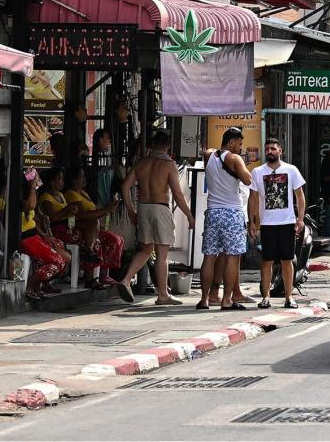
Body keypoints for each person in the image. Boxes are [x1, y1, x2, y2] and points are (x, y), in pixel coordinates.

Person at [116, 131, 195, 307]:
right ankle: (162, 295)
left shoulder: (141, 163)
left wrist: (131, 211)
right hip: (160, 208)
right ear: (167, 146)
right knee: (162, 255)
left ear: (151, 145)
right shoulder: (169, 164)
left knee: (145, 250)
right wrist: (189, 215)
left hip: (143, 208)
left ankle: (126, 279)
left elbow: (125, 187)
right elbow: (178, 194)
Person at [196, 127, 251, 312]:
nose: (241, 148)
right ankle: (226, 300)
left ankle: (204, 300)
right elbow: (248, 180)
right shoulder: (235, 159)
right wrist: (242, 165)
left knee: (209, 257)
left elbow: (210, 151)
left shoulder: (209, 156)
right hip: (232, 213)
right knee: (232, 257)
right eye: (240, 144)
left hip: (212, 212)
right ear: (231, 142)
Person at [248, 138, 306, 310]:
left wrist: (300, 218)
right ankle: (266, 296)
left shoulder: (291, 170)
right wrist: (252, 221)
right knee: (267, 261)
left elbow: (300, 195)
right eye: (267, 149)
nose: (270, 152)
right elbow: (253, 198)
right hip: (267, 224)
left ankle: (289, 297)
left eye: (273, 148)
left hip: (287, 222)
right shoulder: (258, 172)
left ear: (280, 150)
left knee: (287, 261)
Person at [0, 168, 68, 302]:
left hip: (34, 235)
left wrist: (45, 236)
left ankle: (38, 285)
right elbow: (31, 205)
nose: (38, 181)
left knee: (62, 253)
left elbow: (33, 221)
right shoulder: (17, 198)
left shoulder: (28, 195)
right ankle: (30, 285)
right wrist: (33, 187)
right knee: (57, 262)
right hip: (24, 238)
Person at [64, 162, 125, 285]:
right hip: (82, 228)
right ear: (74, 180)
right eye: (81, 177)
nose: (84, 179)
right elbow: (82, 215)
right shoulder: (71, 194)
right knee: (109, 240)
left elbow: (94, 213)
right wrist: (104, 210)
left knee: (118, 239)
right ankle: (93, 276)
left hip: (92, 227)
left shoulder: (83, 193)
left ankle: (104, 274)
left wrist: (108, 209)